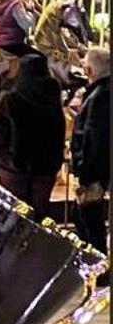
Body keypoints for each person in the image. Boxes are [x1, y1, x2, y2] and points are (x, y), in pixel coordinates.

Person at [0, 50, 65, 219]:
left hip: (14, 165)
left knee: (15, 214)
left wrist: (3, 153)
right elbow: (59, 130)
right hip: (46, 165)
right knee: (40, 213)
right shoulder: (53, 97)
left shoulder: (10, 98)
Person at [69, 44, 110, 251]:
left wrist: (85, 174)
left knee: (89, 220)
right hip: (96, 169)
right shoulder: (100, 93)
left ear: (89, 70)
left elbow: (93, 137)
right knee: (83, 217)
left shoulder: (99, 96)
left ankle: (97, 259)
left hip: (94, 171)